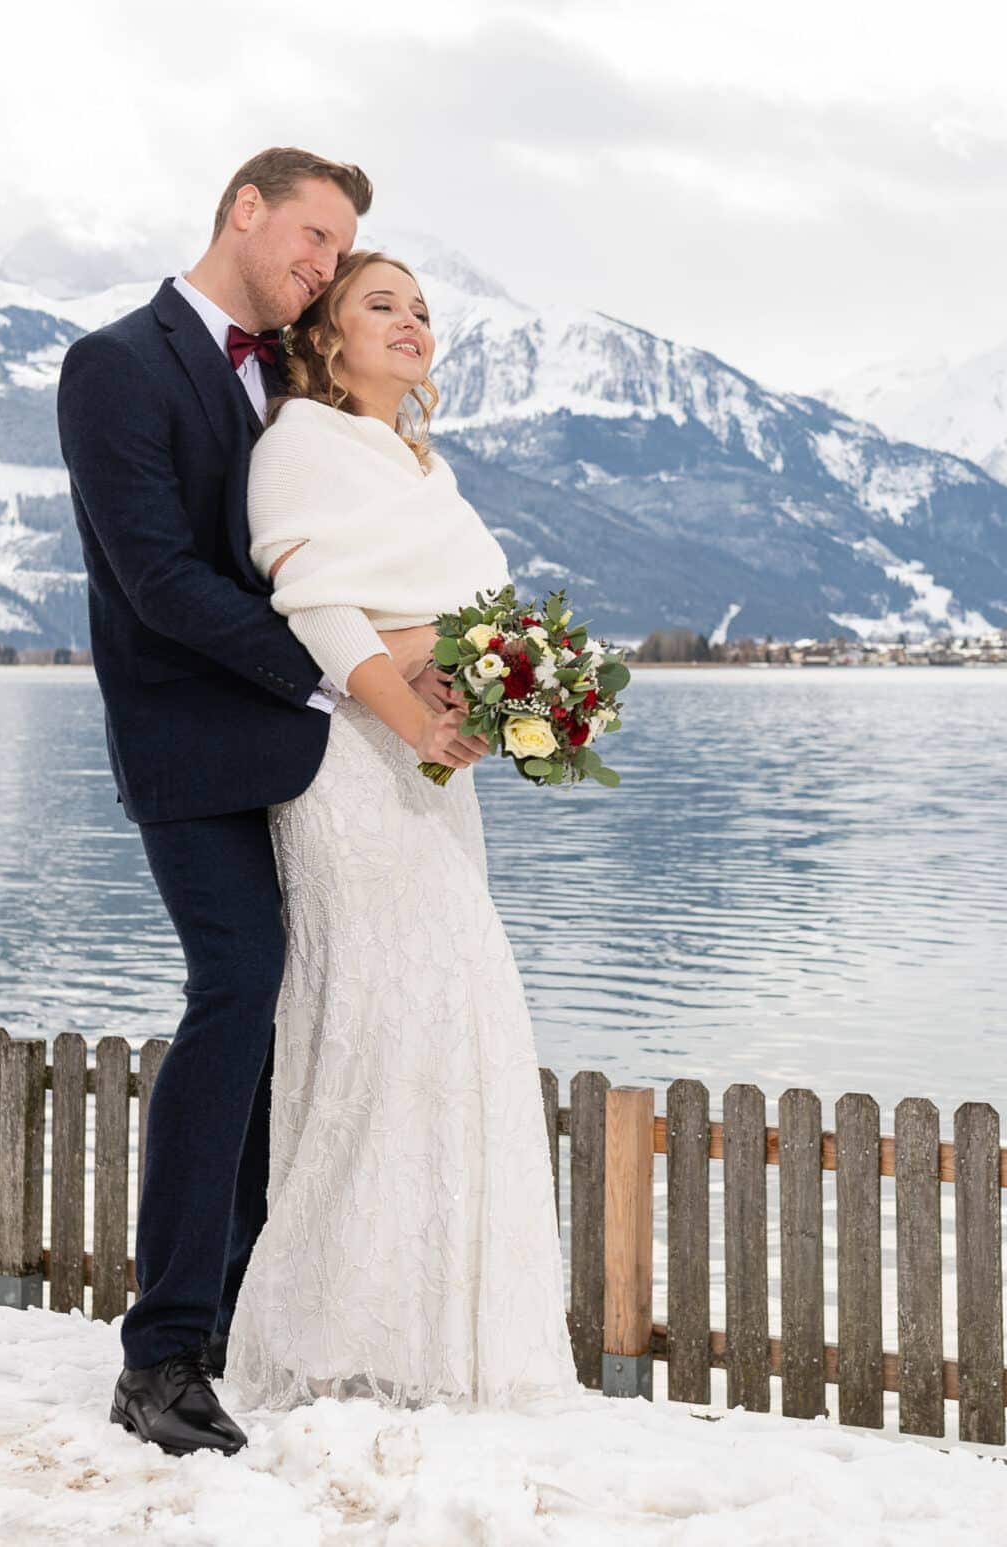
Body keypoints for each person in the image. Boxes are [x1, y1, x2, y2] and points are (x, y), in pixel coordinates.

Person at [56, 150, 482, 1458]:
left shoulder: (299, 384)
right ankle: (162, 1354)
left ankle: (255, 1303)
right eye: (313, 235)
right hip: (193, 745)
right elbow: (157, 579)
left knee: (311, 1011)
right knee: (239, 985)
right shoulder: (114, 365)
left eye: (339, 247)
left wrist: (433, 666)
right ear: (245, 210)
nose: (324, 262)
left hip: (320, 755)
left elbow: (340, 551)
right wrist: (352, 671)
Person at [223, 250, 578, 1410]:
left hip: (433, 771)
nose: (411, 321)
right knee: (372, 1029)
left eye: (422, 309)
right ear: (326, 334)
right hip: (352, 765)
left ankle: (438, 1336)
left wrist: (509, 699)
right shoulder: (297, 446)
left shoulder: (423, 465)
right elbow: (317, 605)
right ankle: (331, 1336)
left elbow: (467, 615)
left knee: (456, 1021)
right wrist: (413, 716)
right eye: (380, 304)